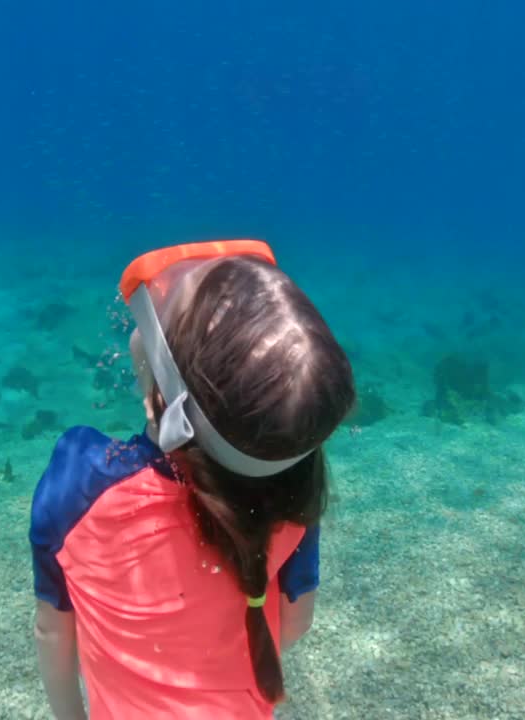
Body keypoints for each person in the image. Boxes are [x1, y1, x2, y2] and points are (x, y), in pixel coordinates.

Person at [29, 239, 356, 719]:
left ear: (160, 401)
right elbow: (296, 622)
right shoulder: (293, 498)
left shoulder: (80, 480)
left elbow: (52, 631)